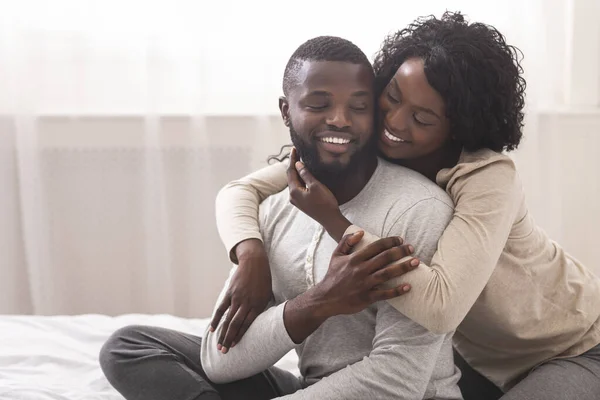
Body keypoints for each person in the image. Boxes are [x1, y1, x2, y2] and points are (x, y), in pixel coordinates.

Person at [212, 12, 600, 400]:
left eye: (422, 117)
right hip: (477, 359)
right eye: (393, 96)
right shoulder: (380, 148)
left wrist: (333, 220)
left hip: (568, 348)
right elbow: (239, 192)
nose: (393, 122)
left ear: (457, 126)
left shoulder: (487, 177)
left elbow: (441, 306)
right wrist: (250, 255)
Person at [99, 36, 462, 400]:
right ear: (287, 111)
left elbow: (399, 381)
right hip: (311, 390)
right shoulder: (274, 210)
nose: (339, 119)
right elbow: (218, 361)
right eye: (319, 104)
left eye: (359, 106)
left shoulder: (417, 209)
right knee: (127, 347)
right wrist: (318, 301)